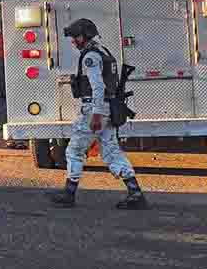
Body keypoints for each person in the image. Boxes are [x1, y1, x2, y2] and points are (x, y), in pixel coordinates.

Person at [50, 18, 147, 210]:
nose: (73, 41)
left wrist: (96, 114)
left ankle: (69, 194)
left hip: (95, 110)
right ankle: (135, 193)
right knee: (111, 152)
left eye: (76, 37)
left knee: (74, 150)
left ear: (85, 36)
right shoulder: (104, 52)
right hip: (107, 109)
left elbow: (98, 87)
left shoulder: (91, 57)